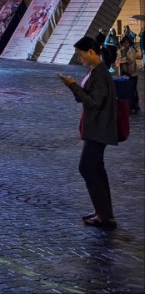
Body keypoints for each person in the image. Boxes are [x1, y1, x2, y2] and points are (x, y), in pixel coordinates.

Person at [57, 36, 118, 231]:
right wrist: (73, 86)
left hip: (99, 130)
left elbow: (93, 103)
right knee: (97, 169)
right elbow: (86, 100)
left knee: (87, 168)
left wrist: (73, 85)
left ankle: (105, 217)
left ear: (91, 52)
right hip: (97, 129)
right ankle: (104, 214)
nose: (79, 57)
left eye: (80, 54)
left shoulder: (100, 74)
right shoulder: (95, 71)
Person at [115, 34, 141, 114]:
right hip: (123, 73)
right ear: (122, 43)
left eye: (127, 42)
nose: (126, 44)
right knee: (126, 90)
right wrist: (123, 59)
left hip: (132, 73)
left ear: (129, 43)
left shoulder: (132, 50)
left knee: (133, 89)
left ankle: (135, 106)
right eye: (124, 42)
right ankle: (128, 106)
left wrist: (123, 59)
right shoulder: (120, 51)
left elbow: (130, 60)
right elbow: (117, 62)